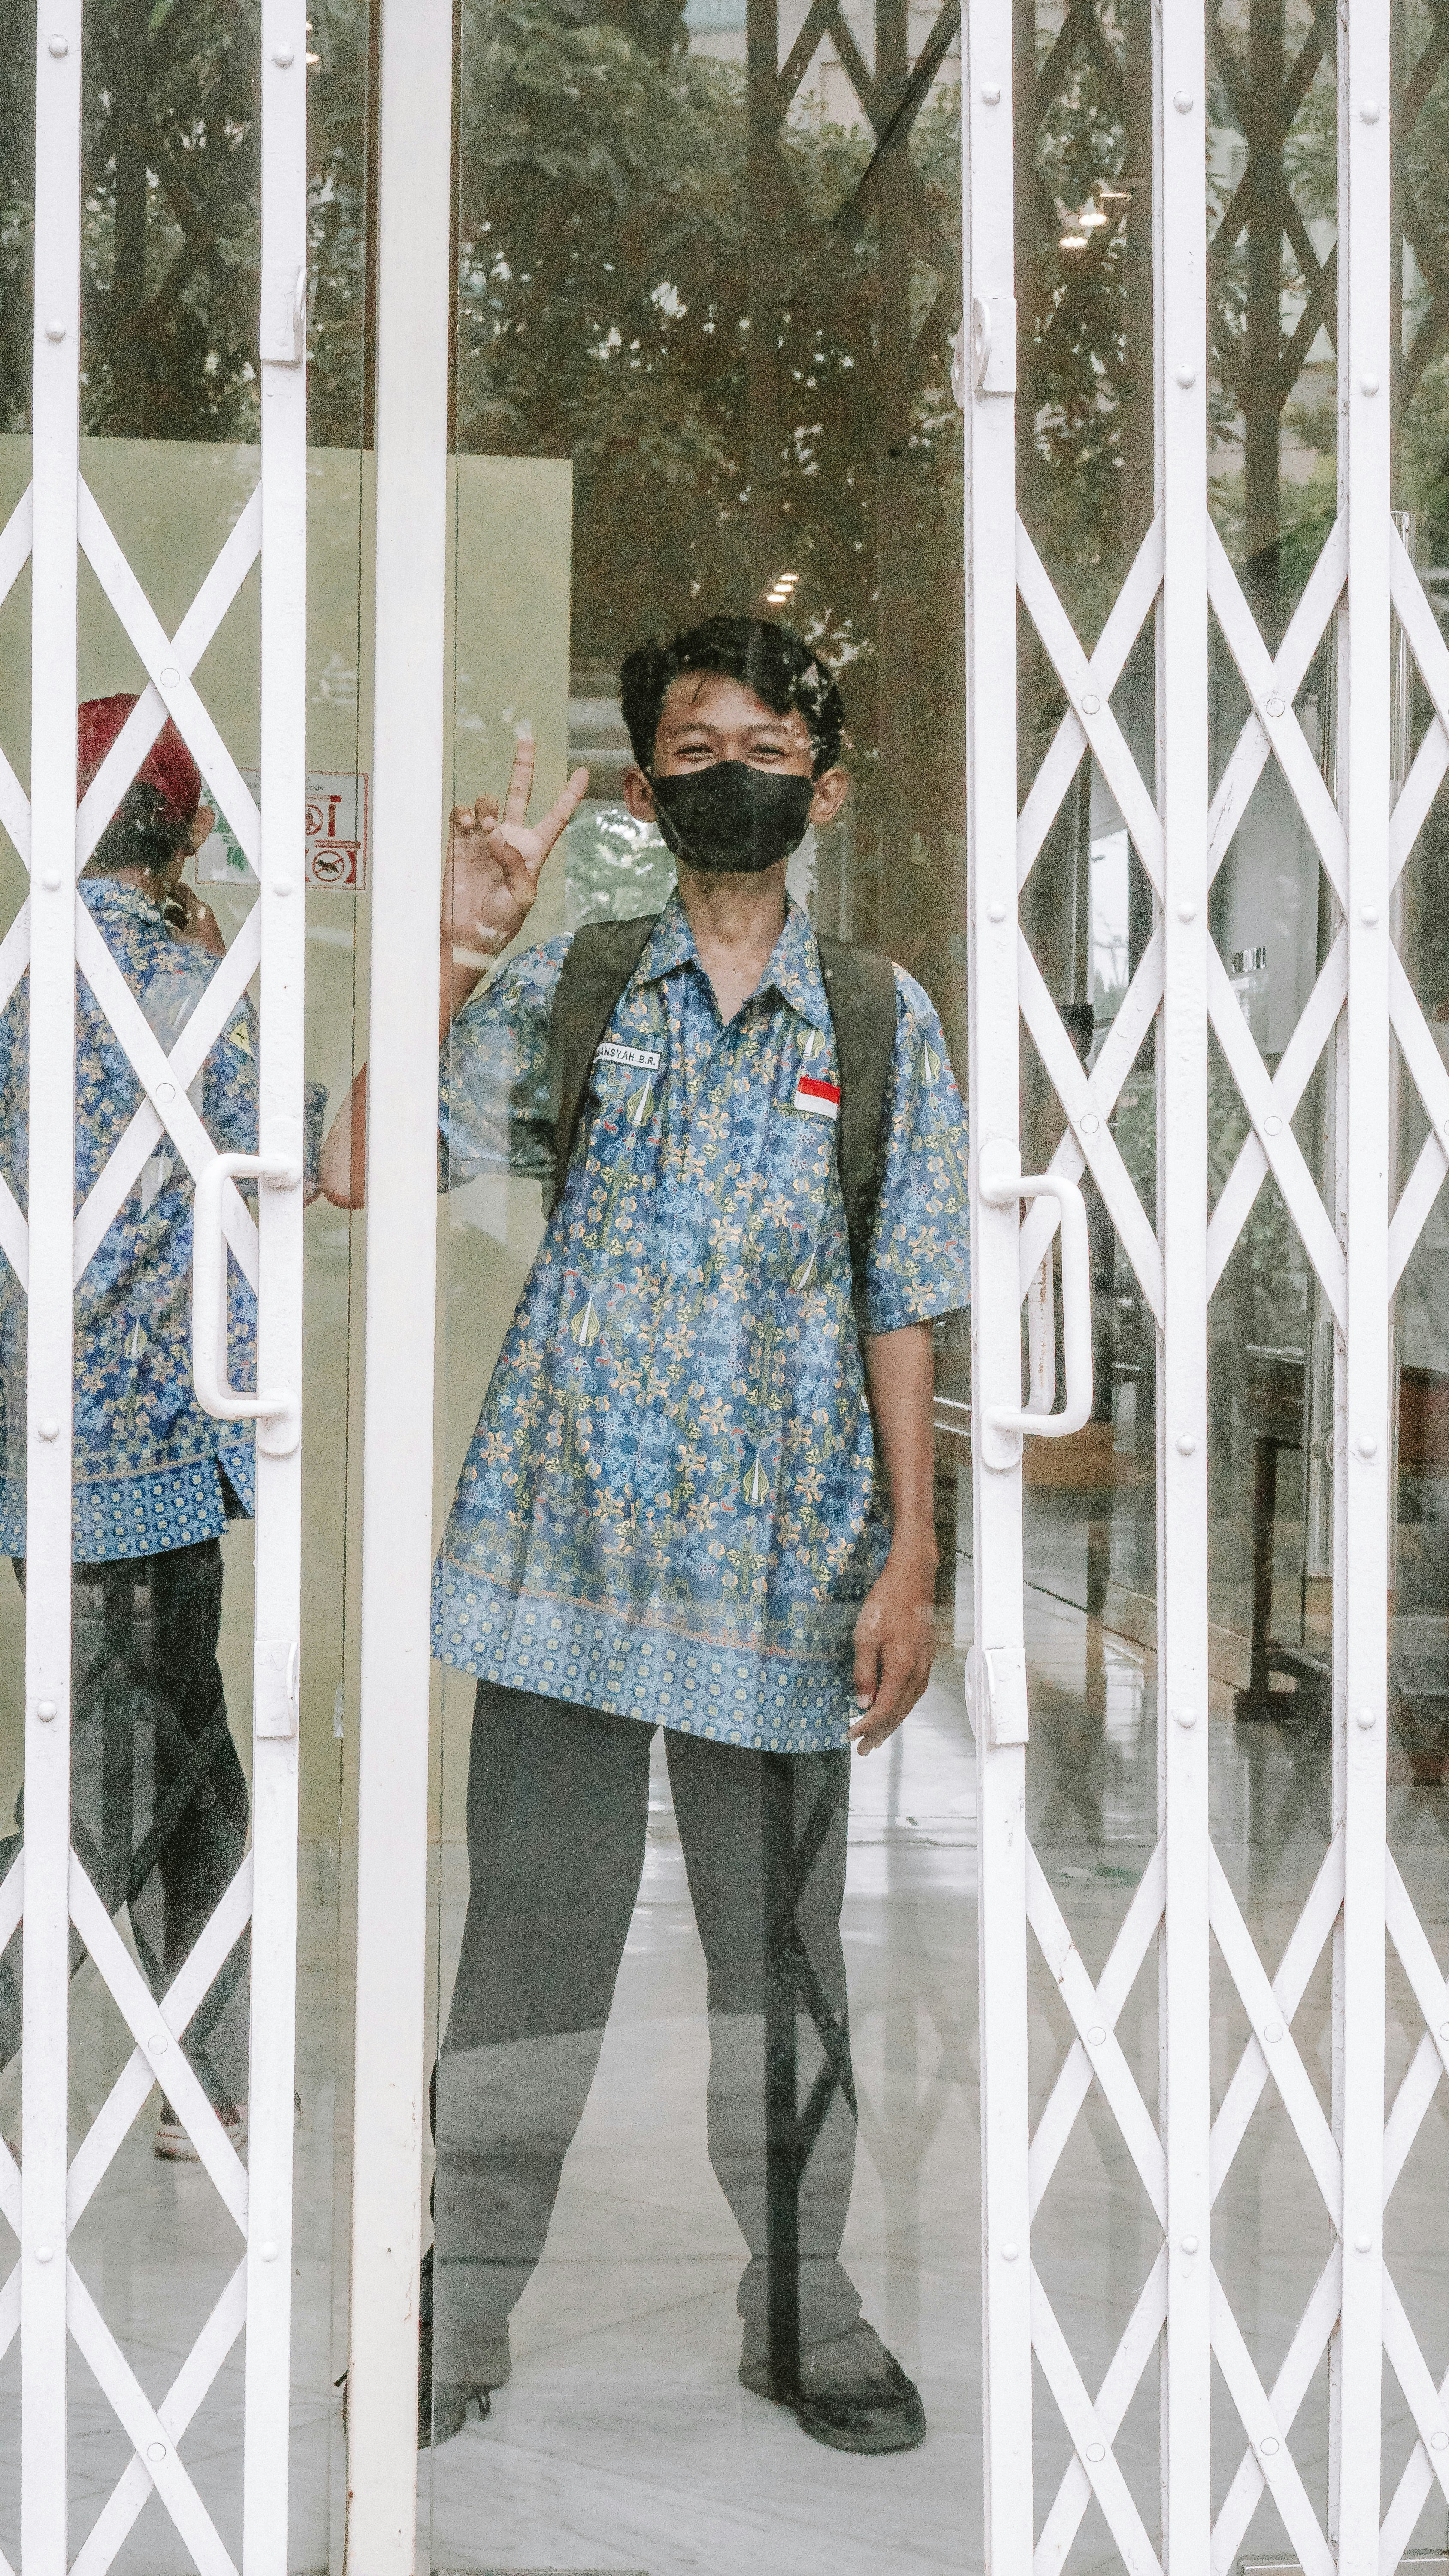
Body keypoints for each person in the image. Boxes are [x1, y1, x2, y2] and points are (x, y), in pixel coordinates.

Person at [321, 614, 970, 2455]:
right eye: (695, 748)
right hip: (566, 1554)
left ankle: (805, 2312)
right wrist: (461, 946)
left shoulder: (878, 1018)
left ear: (824, 786)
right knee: (528, 1951)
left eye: (768, 745)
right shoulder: (584, 981)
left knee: (788, 1966)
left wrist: (912, 1554)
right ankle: (455, 2311)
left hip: (788, 1571)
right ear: (644, 784)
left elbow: (903, 1298)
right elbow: (368, 1159)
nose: (734, 773)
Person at [0, 697, 301, 2156]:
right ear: (178, 824)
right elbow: (298, 1141)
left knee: (195, 1755)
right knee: (118, 1782)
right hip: (147, 1447)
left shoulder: (19, 975)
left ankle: (210, 2071)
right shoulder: (166, 981)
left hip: (45, 1436)